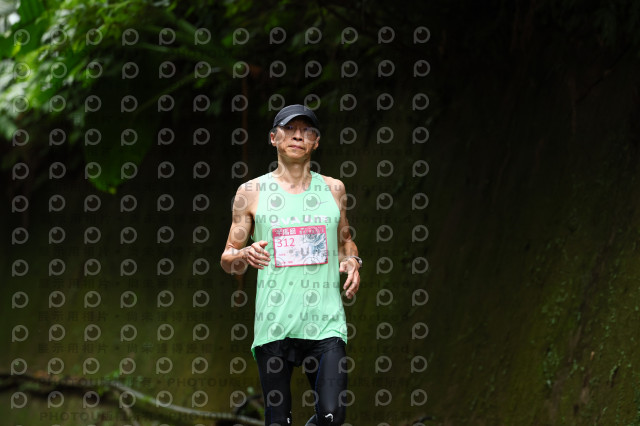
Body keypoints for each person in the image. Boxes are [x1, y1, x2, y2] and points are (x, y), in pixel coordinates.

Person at [220, 104, 361, 425]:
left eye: (306, 130)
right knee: (278, 421)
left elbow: (345, 242)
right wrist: (244, 254)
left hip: (326, 324)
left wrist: (353, 259)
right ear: (273, 138)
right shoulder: (250, 192)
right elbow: (228, 257)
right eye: (289, 129)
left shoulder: (334, 189)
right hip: (274, 325)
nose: (298, 136)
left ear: (316, 142)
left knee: (333, 416)